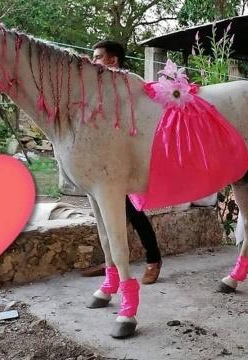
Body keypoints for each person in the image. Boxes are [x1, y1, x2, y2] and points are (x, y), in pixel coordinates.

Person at [80, 40, 162, 285]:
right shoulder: (98, 88)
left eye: (97, 57)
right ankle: (112, 263)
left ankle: (153, 259)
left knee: (133, 212)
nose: (92, 62)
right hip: (106, 161)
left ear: (112, 60)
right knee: (109, 213)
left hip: (128, 158)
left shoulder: (128, 84)